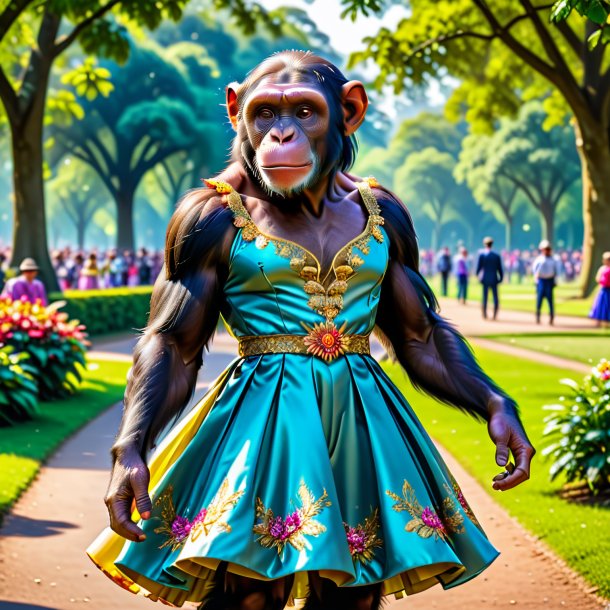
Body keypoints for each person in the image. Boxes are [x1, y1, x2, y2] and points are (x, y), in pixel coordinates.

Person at [86, 52, 534, 610]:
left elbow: (418, 336)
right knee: (250, 590)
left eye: (304, 112)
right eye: (265, 115)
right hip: (262, 419)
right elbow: (173, 344)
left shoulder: (381, 212)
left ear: (349, 111)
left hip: (358, 420)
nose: (280, 134)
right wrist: (132, 443)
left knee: (357, 591)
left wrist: (494, 401)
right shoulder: (214, 215)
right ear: (235, 112)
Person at [532, 240, 561, 325]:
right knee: (539, 300)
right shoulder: (539, 260)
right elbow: (535, 271)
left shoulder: (554, 260)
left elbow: (556, 271)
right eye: (545, 249)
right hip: (541, 281)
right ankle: (538, 316)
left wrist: (555, 281)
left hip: (549, 280)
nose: (547, 251)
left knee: (550, 301)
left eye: (548, 249)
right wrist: (536, 281)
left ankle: (551, 317)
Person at [476, 237, 503, 320]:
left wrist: (478, 277)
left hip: (485, 278)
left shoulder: (482, 255)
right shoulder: (496, 255)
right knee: (495, 297)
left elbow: (478, 268)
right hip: (494, 278)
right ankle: (495, 314)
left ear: (485, 244)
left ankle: (484, 314)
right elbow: (500, 268)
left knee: (485, 297)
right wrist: (501, 278)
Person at [589, 251, 610, 328]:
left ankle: (607, 322)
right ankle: (599, 321)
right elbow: (598, 278)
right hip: (604, 289)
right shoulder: (602, 268)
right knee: (601, 305)